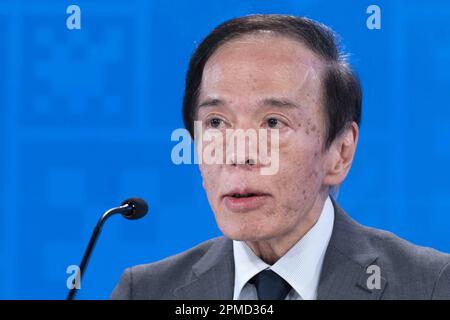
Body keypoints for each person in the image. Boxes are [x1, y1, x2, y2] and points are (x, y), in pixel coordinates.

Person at [111, 14, 450, 300]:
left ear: (340, 152)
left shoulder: (431, 285)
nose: (240, 153)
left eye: (273, 123)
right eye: (216, 123)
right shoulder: (143, 291)